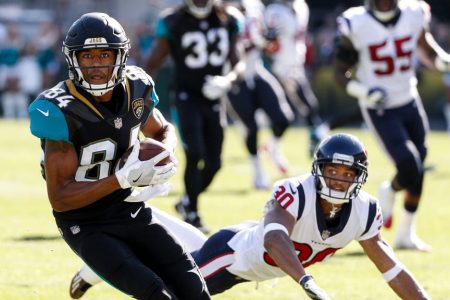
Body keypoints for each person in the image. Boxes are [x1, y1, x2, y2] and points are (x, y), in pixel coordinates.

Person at [70, 133, 430, 300]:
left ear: (360, 178)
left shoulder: (365, 210)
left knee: (180, 250)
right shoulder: (295, 191)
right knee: (164, 292)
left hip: (249, 251)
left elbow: (391, 268)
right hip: (232, 258)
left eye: (348, 174)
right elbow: (275, 238)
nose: (339, 179)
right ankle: (100, 266)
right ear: (317, 170)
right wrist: (306, 283)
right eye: (333, 170)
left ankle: (127, 238)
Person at [28, 12, 210, 300]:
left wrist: (165, 154)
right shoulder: (59, 109)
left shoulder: (135, 87)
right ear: (74, 60)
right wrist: (121, 178)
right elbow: (60, 198)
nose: (97, 65)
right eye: (88, 56)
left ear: (121, 56)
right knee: (156, 294)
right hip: (85, 223)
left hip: (128, 208)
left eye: (105, 55)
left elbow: (163, 129)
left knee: (194, 289)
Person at [333, 0, 450, 251]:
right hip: (380, 107)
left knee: (419, 164)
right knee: (409, 165)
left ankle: (406, 233)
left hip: (409, 98)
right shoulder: (356, 23)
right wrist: (365, 91)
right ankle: (389, 190)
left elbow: (426, 49)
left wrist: (442, 60)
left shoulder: (414, 12)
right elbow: (340, 74)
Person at [146, 0, 245, 232]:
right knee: (195, 153)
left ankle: (187, 201)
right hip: (185, 97)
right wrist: (141, 93)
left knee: (215, 163)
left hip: (214, 97)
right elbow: (153, 62)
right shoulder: (173, 21)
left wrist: (228, 80)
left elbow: (238, 63)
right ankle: (193, 213)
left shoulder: (228, 19)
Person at [224, 0, 294, 187]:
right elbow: (228, 50)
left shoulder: (255, 6)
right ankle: (257, 170)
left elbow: (265, 43)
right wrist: (255, 43)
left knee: (283, 118)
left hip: (256, 71)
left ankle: (273, 147)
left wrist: (267, 40)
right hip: (233, 77)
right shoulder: (221, 11)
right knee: (251, 127)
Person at [263, 0, 326, 157]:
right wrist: (276, 70)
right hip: (279, 68)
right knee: (286, 114)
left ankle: (274, 144)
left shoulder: (301, 6)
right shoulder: (274, 11)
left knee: (309, 108)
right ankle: (273, 145)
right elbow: (268, 45)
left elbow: (301, 38)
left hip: (296, 66)